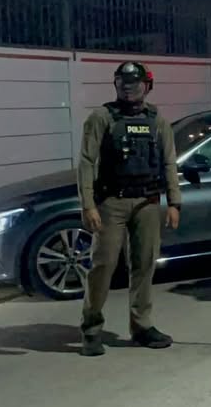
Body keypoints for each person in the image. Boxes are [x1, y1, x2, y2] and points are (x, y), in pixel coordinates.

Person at [77, 61, 182, 356]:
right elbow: (86, 162)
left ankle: (142, 326)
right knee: (103, 266)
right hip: (112, 203)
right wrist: (88, 205)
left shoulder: (157, 120)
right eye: (122, 82)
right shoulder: (101, 117)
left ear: (147, 86)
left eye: (134, 83)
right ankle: (91, 328)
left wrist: (174, 202)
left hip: (148, 203)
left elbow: (169, 162)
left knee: (145, 265)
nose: (128, 88)